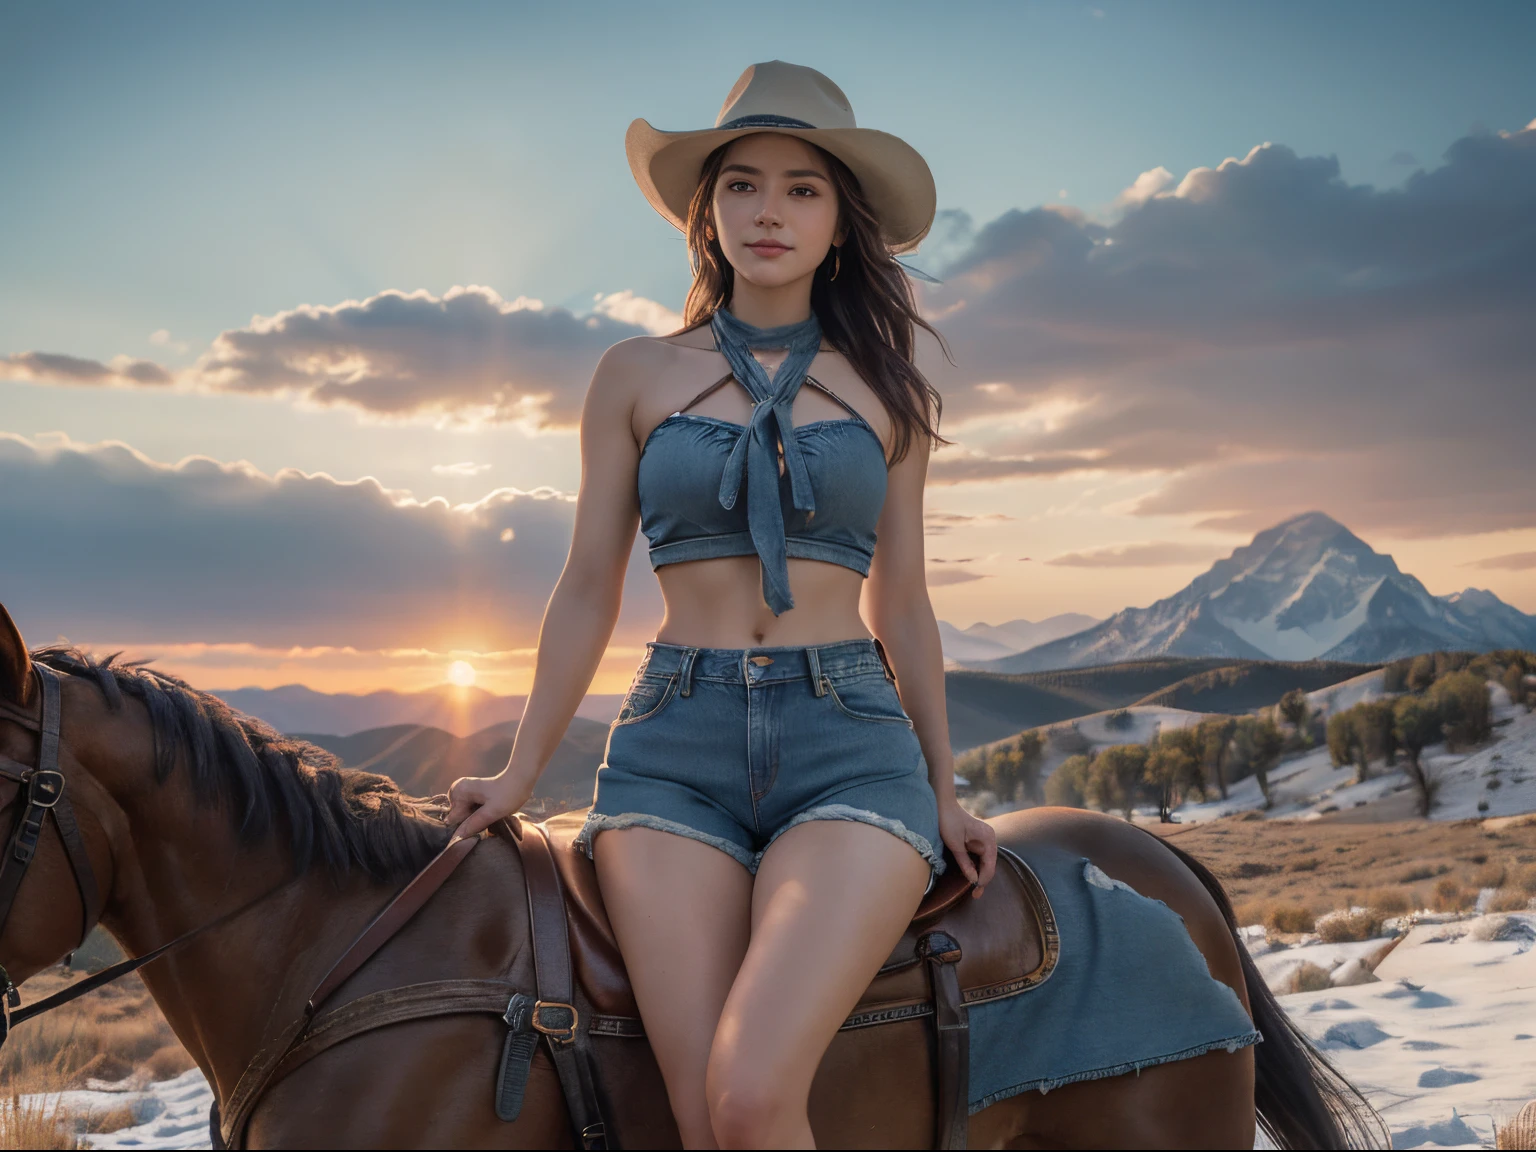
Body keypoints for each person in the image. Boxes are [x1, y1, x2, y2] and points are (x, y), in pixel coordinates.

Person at [448, 60, 997, 1150]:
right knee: (703, 1121)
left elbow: (908, 603)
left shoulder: (890, 395)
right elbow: (586, 584)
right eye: (742, 184)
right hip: (672, 752)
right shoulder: (634, 374)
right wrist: (519, 769)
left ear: (842, 222)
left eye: (802, 188)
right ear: (708, 212)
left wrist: (943, 784)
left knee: (753, 1096)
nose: (769, 211)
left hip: (849, 744)